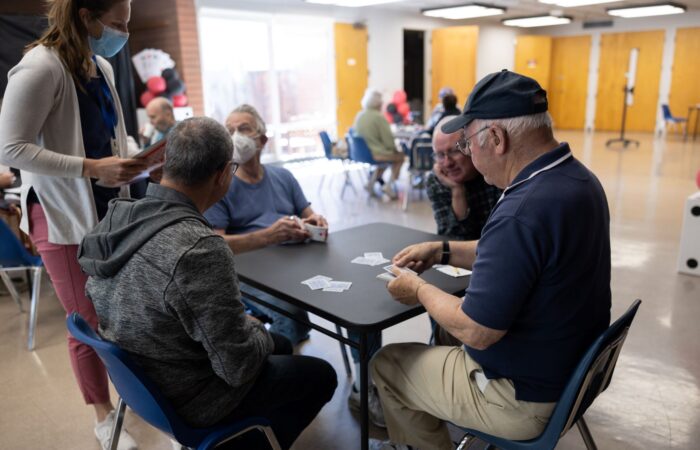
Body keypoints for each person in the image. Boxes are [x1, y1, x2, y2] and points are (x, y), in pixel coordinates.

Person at [369, 70, 612, 450]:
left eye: (466, 144)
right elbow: (518, 252)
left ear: (496, 138)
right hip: (576, 371)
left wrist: (419, 288)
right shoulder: (577, 180)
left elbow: (476, 330)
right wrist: (443, 250)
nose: (467, 155)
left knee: (387, 364)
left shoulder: (521, 209)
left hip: (523, 396)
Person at [78, 117, 336, 449]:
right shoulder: (199, 248)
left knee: (282, 345)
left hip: (142, 383)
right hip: (191, 397)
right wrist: (256, 330)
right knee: (320, 375)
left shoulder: (118, 216)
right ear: (222, 175)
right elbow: (237, 367)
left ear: (165, 166)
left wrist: (254, 333)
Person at [0, 1, 150, 449]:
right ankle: (103, 419)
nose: (124, 32)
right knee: (85, 322)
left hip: (107, 210)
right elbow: (12, 150)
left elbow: (107, 137)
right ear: (85, 16)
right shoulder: (39, 68)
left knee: (120, 315)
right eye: (118, 23)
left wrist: (137, 164)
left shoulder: (99, 65)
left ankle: (133, 400)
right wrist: (92, 168)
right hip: (61, 216)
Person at [205, 104, 386, 427]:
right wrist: (266, 237)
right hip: (251, 273)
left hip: (299, 262)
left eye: (244, 128)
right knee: (290, 319)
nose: (235, 136)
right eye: (229, 128)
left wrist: (315, 220)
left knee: (361, 304)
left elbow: (308, 213)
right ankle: (276, 396)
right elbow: (215, 244)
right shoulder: (224, 185)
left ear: (262, 139)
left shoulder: (282, 176)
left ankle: (365, 384)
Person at [427, 116, 501, 240]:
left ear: (471, 146)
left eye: (454, 151)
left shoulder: (493, 173)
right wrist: (457, 191)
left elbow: (501, 237)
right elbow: (451, 240)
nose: (447, 163)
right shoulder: (437, 180)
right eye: (440, 155)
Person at [353, 89, 405, 199]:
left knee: (385, 161)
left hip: (360, 153)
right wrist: (395, 149)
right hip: (375, 153)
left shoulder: (359, 115)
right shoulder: (378, 117)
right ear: (379, 103)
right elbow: (389, 141)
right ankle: (388, 186)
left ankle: (370, 183)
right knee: (399, 157)